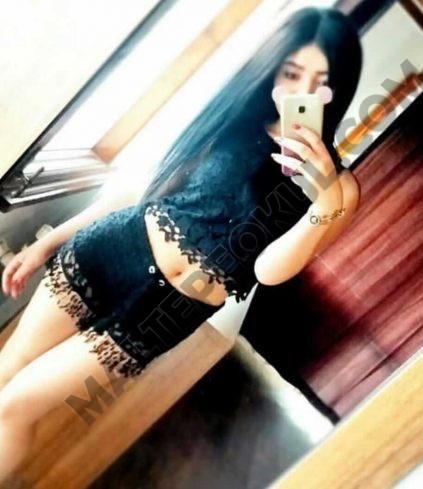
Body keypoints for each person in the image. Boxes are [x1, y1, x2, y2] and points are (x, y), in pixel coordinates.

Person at [0, 6, 362, 482]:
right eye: (292, 74)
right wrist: (49, 242)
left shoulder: (340, 189)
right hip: (111, 250)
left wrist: (322, 199)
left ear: (339, 89)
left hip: (164, 314)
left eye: (320, 82)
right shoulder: (235, 116)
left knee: (17, 405)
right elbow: (143, 190)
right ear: (274, 66)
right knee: (10, 366)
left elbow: (266, 271)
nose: (302, 93)